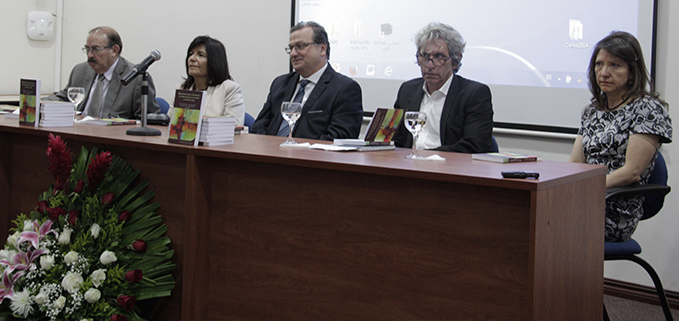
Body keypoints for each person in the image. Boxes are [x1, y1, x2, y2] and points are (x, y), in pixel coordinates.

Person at [568, 31, 672, 242]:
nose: (604, 72)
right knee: (526, 213)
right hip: (582, 199)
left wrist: (585, 190)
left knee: (540, 224)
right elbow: (575, 164)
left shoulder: (647, 109)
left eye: (614, 65)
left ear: (631, 72)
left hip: (615, 209)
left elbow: (631, 173)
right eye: (599, 64)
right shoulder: (592, 111)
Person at [251, 21, 363, 140]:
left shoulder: (344, 89)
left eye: (300, 46)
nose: (293, 53)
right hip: (270, 155)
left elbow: (338, 139)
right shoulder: (280, 84)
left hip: (311, 157)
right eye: (291, 48)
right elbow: (258, 128)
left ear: (322, 49)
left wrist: (295, 151)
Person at [392, 22, 494, 153]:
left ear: (455, 61)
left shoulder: (474, 94)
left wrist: (426, 156)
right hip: (408, 166)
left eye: (439, 57)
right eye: (424, 56)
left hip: (449, 168)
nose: (430, 65)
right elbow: (396, 138)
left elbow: (475, 145)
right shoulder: (407, 90)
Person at [47, 26, 160, 119]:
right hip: (79, 134)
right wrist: (35, 100)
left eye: (95, 49)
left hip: (113, 139)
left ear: (114, 50)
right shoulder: (80, 71)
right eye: (87, 49)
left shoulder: (135, 78)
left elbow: (149, 119)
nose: (90, 55)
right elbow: (64, 98)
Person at [170, 36, 245, 126]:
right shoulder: (181, 88)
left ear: (214, 61)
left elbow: (234, 127)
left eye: (200, 55)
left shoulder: (229, 89)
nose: (192, 59)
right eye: (191, 54)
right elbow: (170, 124)